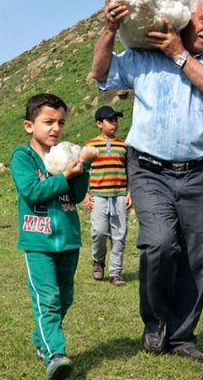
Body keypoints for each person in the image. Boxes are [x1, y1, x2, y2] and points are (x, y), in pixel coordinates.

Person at [90, 0, 203, 363]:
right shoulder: (144, 57)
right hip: (149, 169)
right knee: (158, 244)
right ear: (187, 18)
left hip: (199, 173)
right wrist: (109, 31)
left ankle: (182, 336)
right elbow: (102, 74)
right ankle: (155, 322)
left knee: (197, 256)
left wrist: (179, 53)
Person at [11, 93, 97, 380]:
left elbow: (76, 195)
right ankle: (55, 354)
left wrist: (82, 166)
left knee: (65, 298)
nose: (55, 129)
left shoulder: (65, 155)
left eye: (60, 122)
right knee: (47, 298)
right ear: (29, 125)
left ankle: (42, 340)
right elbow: (32, 191)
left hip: (69, 240)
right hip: (38, 242)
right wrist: (64, 177)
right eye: (48, 122)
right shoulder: (23, 157)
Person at [82, 106, 132, 286]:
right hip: (99, 196)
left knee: (119, 235)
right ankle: (98, 261)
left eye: (115, 120)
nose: (114, 124)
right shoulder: (90, 145)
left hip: (119, 195)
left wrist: (130, 193)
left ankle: (116, 273)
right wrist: (84, 194)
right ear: (99, 123)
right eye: (110, 121)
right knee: (99, 232)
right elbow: (82, 171)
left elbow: (130, 170)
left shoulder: (124, 145)